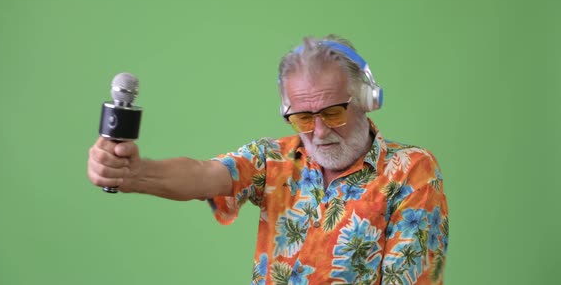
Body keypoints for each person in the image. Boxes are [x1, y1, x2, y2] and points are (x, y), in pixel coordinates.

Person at [87, 35, 449, 284]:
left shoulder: (411, 171)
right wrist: (134, 174)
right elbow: (202, 175)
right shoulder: (273, 158)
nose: (319, 132)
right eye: (304, 118)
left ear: (368, 101)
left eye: (333, 112)